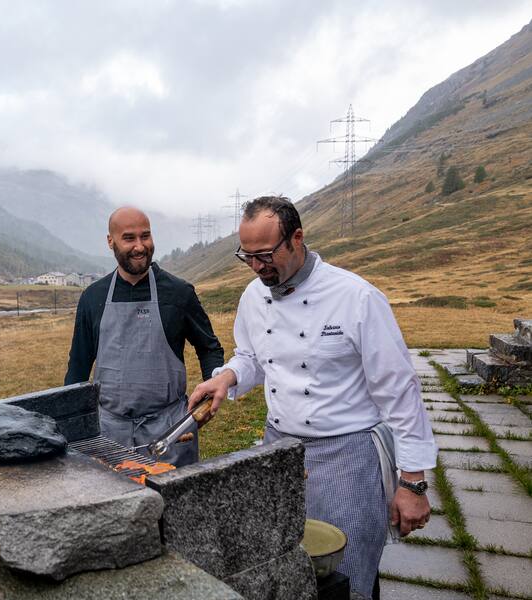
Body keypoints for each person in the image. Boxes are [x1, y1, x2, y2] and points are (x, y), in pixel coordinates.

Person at [188, 196, 436, 599]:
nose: (256, 267)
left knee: (348, 576)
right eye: (246, 256)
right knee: (283, 567)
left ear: (297, 238)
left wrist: (413, 483)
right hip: (280, 452)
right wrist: (229, 376)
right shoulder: (254, 296)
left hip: (348, 456)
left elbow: (400, 393)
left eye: (265, 254)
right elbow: (253, 355)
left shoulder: (356, 297)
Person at [65, 206, 225, 466]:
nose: (140, 246)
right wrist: (72, 425)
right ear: (110, 241)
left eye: (146, 236)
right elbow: (78, 368)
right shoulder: (92, 298)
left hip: (170, 432)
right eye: (129, 238)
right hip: (108, 433)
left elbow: (209, 348)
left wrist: (209, 394)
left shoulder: (179, 293)